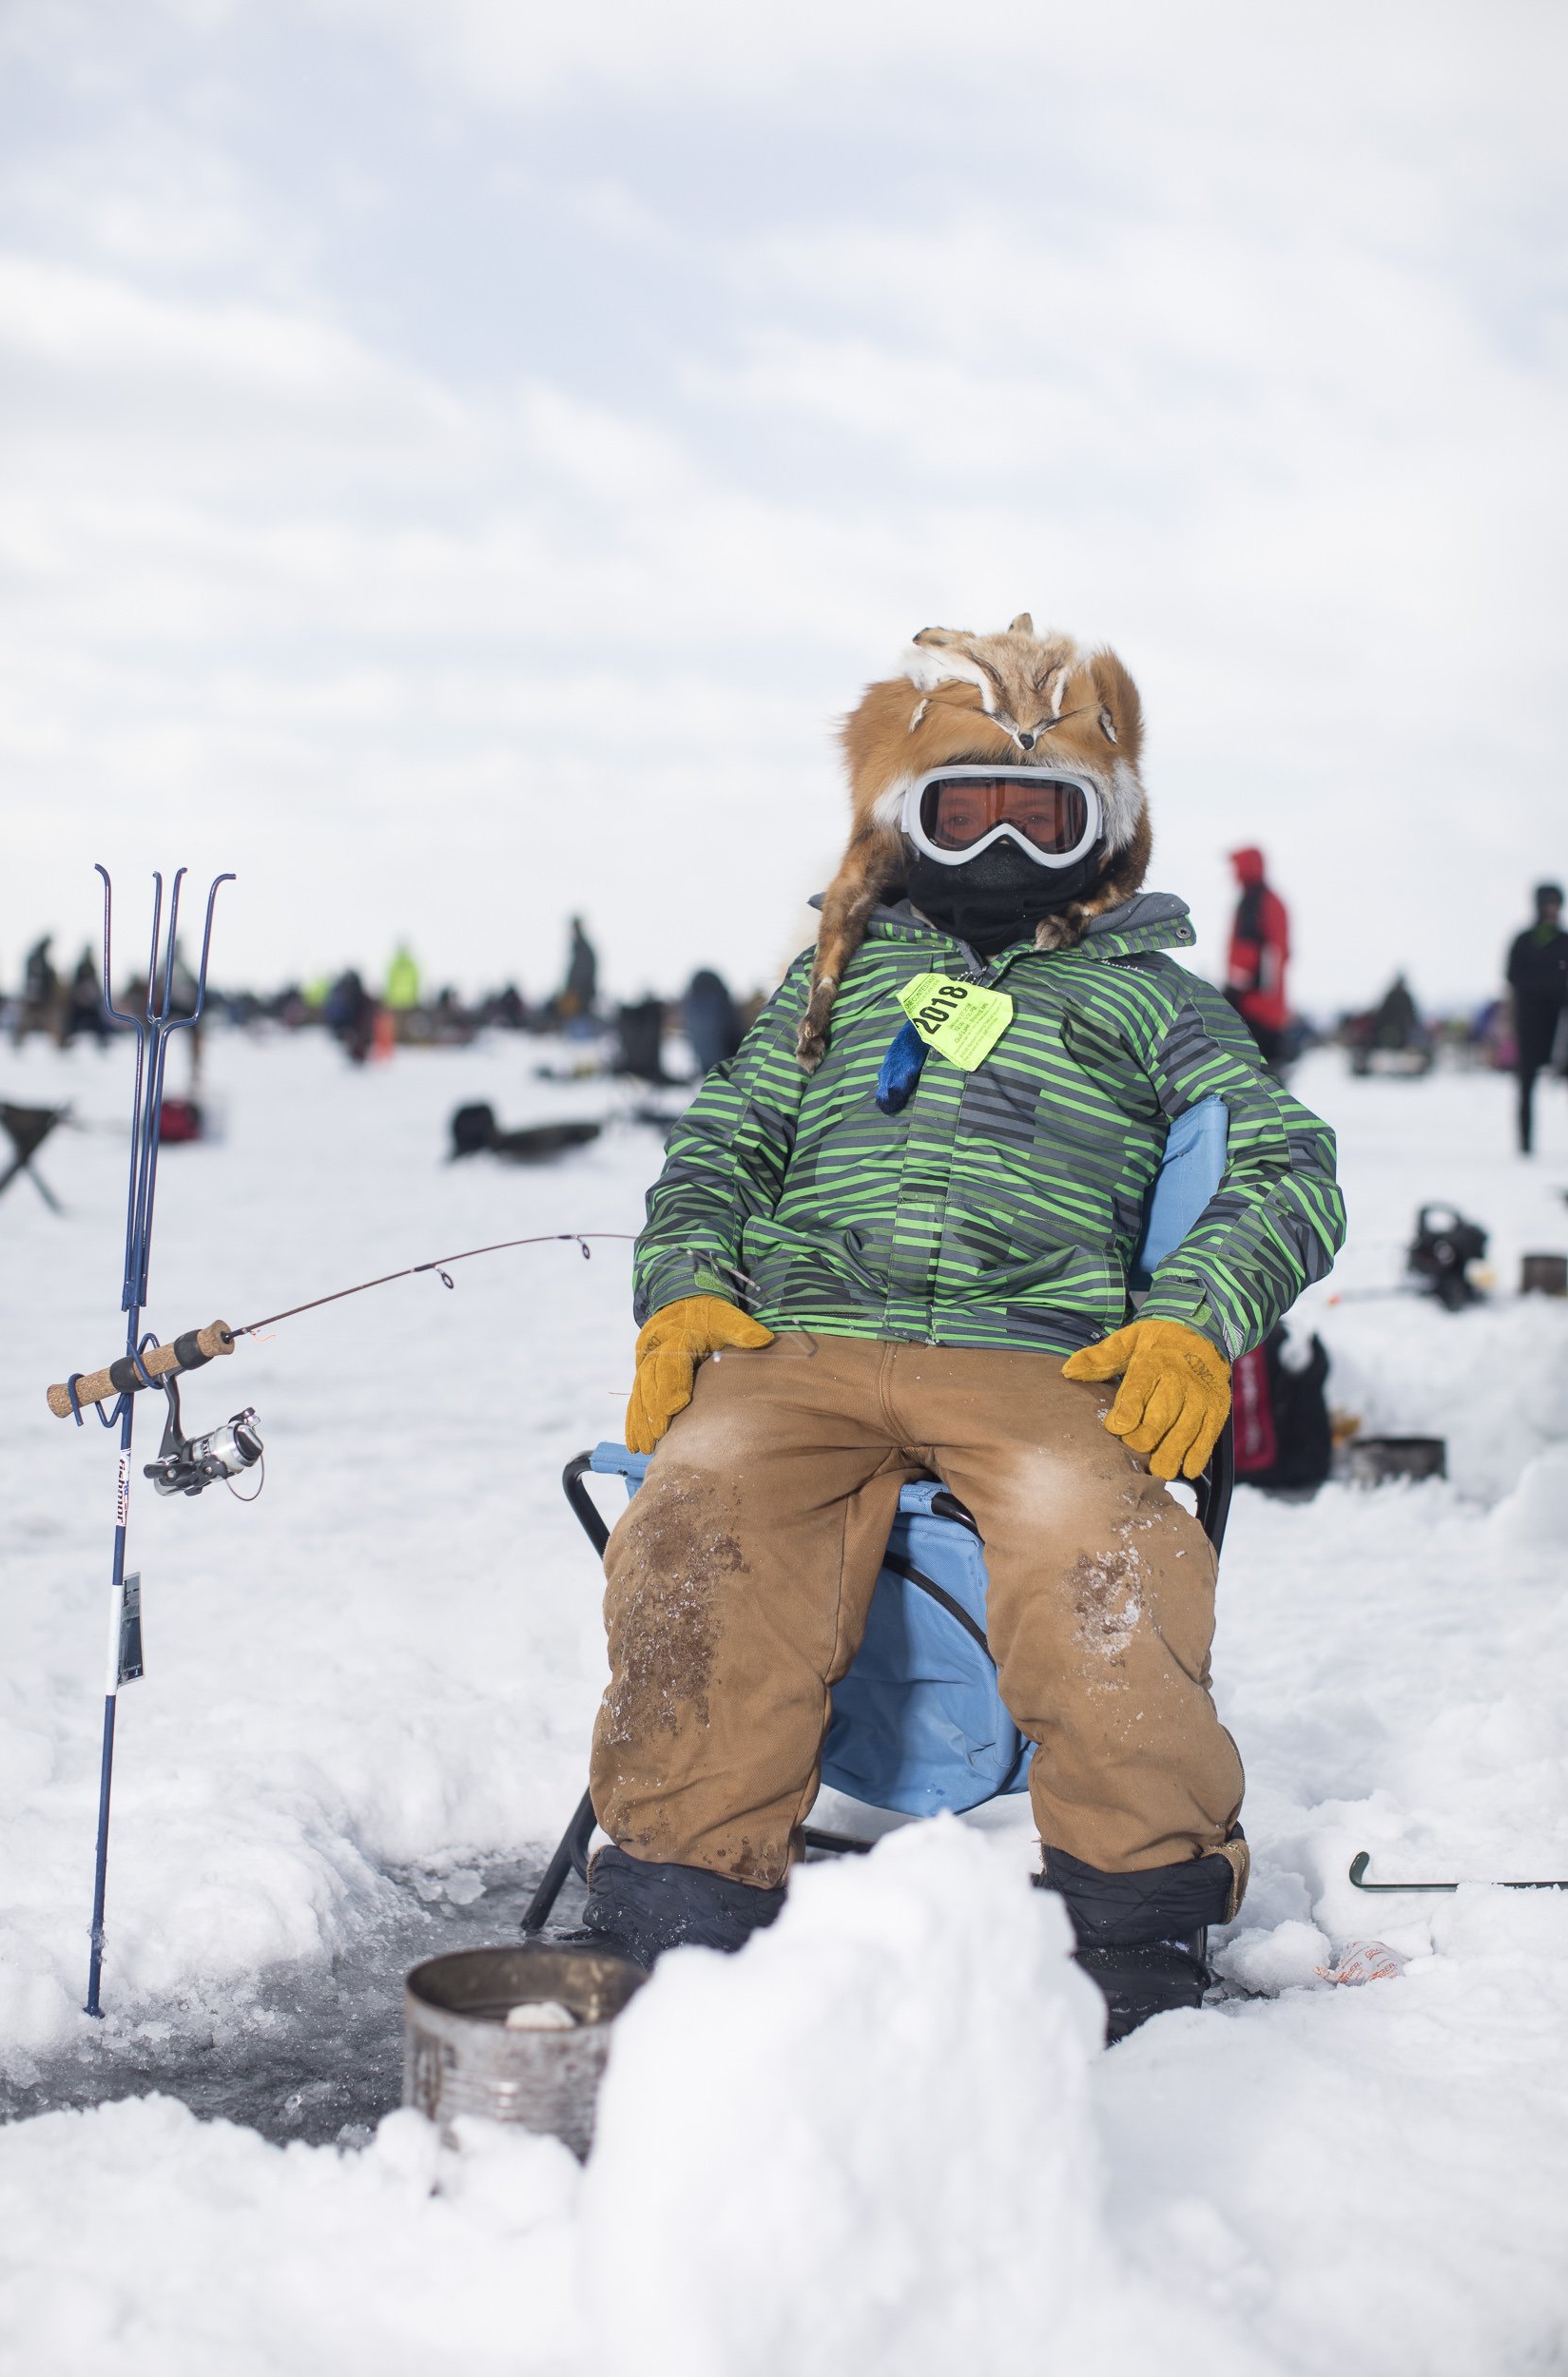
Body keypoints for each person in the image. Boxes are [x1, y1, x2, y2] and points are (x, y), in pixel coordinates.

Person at [571, 620, 1346, 2041]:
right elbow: (720, 1146)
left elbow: (1281, 1166)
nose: (998, 840)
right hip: (798, 1341)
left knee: (1093, 1549)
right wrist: (682, 1284)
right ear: (906, 824)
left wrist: (1189, 1323)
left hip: (1032, 1353)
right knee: (697, 1518)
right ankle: (681, 1890)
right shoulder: (836, 979)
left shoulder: (1155, 1004)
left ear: (1097, 835)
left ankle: (1131, 1909)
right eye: (962, 807)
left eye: (1036, 814)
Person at [1505, 883, 1568, 1154]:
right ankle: (1525, 1146)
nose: (1552, 909)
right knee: (1526, 1084)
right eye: (1547, 903)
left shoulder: (1564, 940)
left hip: (1561, 1025)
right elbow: (1511, 975)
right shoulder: (1523, 940)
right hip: (1530, 1023)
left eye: (1556, 903)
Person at [1223, 847, 1290, 1067]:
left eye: (1236, 866)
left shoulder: (1256, 902)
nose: (1233, 872)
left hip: (1254, 1008)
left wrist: (1235, 990)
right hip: (1270, 1008)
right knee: (1267, 1073)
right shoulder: (1270, 900)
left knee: (1249, 1074)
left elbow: (1252, 950)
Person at [561, 917, 598, 1020]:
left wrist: (575, 989)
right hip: (578, 992)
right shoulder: (579, 947)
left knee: (579, 1020)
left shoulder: (582, 948)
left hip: (581, 994)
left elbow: (582, 972)